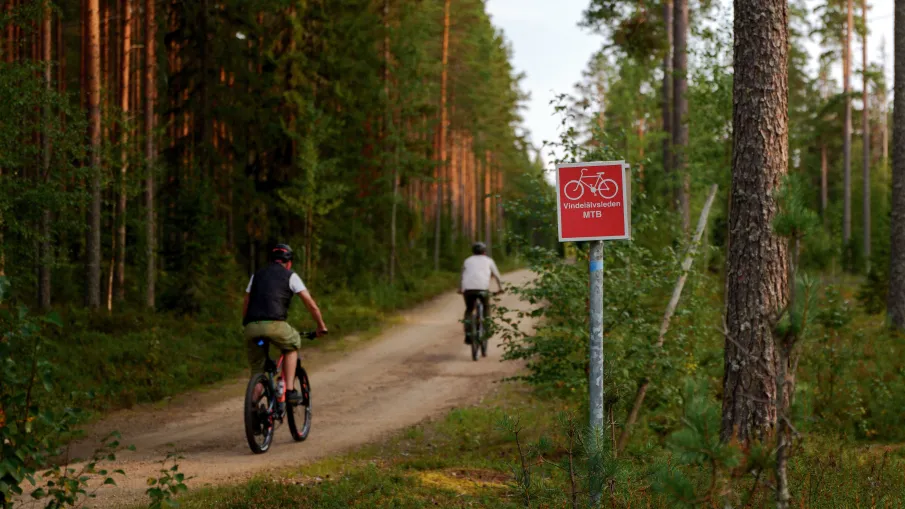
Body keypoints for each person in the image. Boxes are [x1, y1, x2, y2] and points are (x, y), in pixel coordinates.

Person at [243, 244, 327, 406]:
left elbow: (246, 300)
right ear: (289, 263)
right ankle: (289, 391)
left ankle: (252, 413)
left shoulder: (257, 275)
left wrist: (246, 324)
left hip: (252, 327)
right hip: (275, 325)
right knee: (292, 345)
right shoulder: (290, 275)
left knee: (257, 370)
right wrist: (321, 326)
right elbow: (310, 304)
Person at [458, 242, 503, 344]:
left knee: (469, 309)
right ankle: (486, 330)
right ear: (484, 252)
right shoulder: (488, 260)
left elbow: (461, 276)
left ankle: (468, 334)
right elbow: (496, 275)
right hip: (483, 289)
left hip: (468, 289)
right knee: (486, 307)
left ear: (473, 251)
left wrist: (460, 288)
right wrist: (501, 288)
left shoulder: (467, 261)